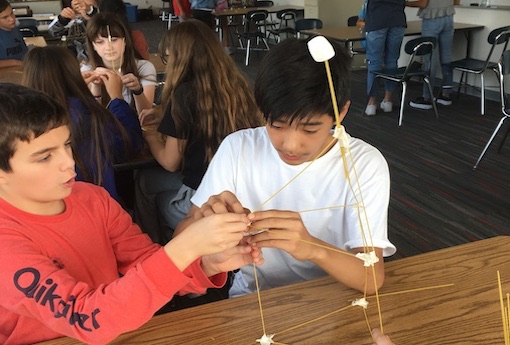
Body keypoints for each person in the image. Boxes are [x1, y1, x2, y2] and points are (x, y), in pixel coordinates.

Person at [0, 82, 263, 344]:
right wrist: (185, 247)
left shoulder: (93, 198)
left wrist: (208, 261)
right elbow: (86, 317)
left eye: (67, 144)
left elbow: (146, 265)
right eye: (44, 157)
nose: (68, 162)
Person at [176, 38, 396, 298]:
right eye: (277, 125)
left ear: (341, 112)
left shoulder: (364, 164)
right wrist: (206, 223)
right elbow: (181, 238)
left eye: (310, 128)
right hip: (252, 300)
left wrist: (313, 247)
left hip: (335, 301)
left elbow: (372, 277)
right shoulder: (238, 149)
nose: (290, 144)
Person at [136, 19, 262, 245]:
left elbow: (169, 162)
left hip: (200, 197)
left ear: (178, 59)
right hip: (239, 192)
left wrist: (150, 135)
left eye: (167, 58)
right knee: (149, 181)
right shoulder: (237, 85)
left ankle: (156, 247)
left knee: (144, 181)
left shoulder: (183, 95)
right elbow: (206, 111)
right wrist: (165, 113)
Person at [21, 45, 144, 203]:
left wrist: (86, 93)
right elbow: (130, 144)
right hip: (97, 205)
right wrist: (117, 98)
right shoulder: (86, 113)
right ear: (72, 73)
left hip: (54, 205)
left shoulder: (24, 119)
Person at [83, 12, 156, 114]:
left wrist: (138, 91)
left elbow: (145, 114)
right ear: (93, 46)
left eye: (114, 40)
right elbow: (91, 116)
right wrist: (96, 87)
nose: (108, 47)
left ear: (125, 41)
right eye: (100, 42)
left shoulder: (144, 67)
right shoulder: (87, 71)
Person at [407, 0, 460, 110]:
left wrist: (405, 3)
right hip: (448, 18)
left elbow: (423, 3)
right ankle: (446, 94)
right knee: (447, 57)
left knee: (430, 59)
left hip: (432, 19)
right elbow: (457, 1)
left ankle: (427, 98)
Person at [364, 0, 406, 116]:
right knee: (392, 61)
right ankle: (388, 101)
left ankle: (371, 103)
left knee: (374, 62)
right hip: (397, 19)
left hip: (377, 19)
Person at [0, 0, 28, 68]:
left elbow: (25, 52)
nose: (12, 19)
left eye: (12, 13)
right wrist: (15, 62)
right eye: (5, 17)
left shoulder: (15, 29)